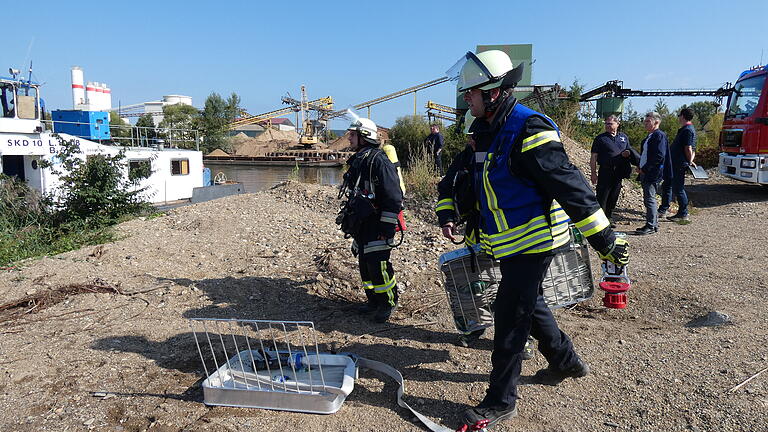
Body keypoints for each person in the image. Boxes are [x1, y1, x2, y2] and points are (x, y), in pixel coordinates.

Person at [447, 50, 629, 430]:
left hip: (535, 240)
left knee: (511, 313)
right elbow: (484, 187)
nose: (467, 99)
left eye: (471, 93)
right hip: (509, 242)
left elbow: (571, 187)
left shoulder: (527, 128)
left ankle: (500, 402)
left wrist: (605, 238)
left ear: (494, 92)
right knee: (531, 302)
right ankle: (566, 361)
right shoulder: (487, 130)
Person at [436, 112, 537, 357]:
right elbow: (447, 188)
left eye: (477, 137)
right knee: (476, 283)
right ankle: (476, 325)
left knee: (515, 288)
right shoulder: (465, 158)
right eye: (471, 137)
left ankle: (521, 338)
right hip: (477, 231)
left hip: (511, 234)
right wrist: (447, 218)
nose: (472, 141)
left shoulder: (507, 154)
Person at [337, 117, 404, 323]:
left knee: (378, 265)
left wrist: (387, 226)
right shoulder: (360, 159)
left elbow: (394, 196)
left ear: (364, 137)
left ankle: (388, 302)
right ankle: (373, 300)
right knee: (365, 264)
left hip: (377, 224)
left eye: (353, 135)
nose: (349, 138)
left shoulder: (379, 161)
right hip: (362, 223)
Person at [589, 115, 633, 223]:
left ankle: (608, 218)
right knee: (602, 197)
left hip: (618, 172)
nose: (607, 126)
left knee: (614, 196)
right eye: (606, 123)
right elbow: (593, 156)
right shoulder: (600, 139)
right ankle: (600, 222)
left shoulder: (623, 137)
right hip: (605, 171)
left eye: (610, 123)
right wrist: (593, 173)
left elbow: (630, 152)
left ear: (617, 124)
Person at [658, 108, 696, 221]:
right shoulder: (687, 129)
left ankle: (683, 213)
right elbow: (692, 148)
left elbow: (689, 147)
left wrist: (689, 161)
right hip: (674, 162)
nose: (678, 117)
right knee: (667, 185)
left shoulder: (687, 130)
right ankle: (663, 209)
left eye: (679, 115)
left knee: (678, 188)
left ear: (683, 116)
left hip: (679, 163)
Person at [635, 112, 669, 235]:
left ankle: (650, 225)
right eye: (645, 121)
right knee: (649, 199)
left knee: (650, 199)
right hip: (646, 172)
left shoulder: (659, 136)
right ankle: (652, 224)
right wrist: (640, 167)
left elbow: (659, 155)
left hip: (652, 173)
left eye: (648, 121)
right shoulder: (650, 136)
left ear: (656, 122)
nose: (645, 123)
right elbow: (646, 155)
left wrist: (646, 168)